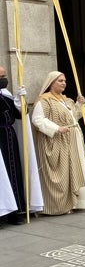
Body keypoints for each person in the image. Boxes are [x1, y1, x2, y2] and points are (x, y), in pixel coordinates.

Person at [32, 71, 85, 215]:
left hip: (72, 141)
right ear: (51, 83)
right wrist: (57, 128)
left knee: (75, 170)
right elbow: (37, 120)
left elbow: (75, 117)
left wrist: (79, 104)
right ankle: (60, 206)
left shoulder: (66, 100)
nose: (64, 83)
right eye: (60, 81)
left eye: (64, 81)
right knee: (62, 173)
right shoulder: (44, 101)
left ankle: (77, 202)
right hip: (56, 141)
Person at [0, 66, 43, 224]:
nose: (4, 79)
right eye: (1, 76)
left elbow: (20, 115)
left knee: (13, 174)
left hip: (9, 137)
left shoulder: (6, 94)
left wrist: (20, 101)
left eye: (4, 76)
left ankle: (15, 211)